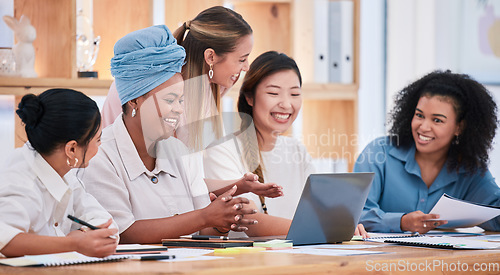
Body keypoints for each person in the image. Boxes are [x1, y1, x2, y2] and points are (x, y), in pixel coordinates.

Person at [83, 25, 258, 244]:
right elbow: (122, 233)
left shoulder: (179, 152)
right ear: (135, 100)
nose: (179, 109)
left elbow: (201, 228)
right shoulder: (100, 157)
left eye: (181, 100)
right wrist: (205, 217)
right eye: (169, 100)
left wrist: (222, 223)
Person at [100, 6, 281, 199]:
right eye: (242, 59)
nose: (246, 67)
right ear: (210, 57)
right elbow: (174, 185)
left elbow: (187, 181)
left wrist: (240, 186)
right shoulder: (156, 93)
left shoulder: (206, 90)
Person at [204, 51, 368, 237]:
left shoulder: (296, 150)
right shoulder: (222, 151)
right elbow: (248, 221)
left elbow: (321, 209)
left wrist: (344, 224)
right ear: (249, 97)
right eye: (273, 93)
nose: (286, 104)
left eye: (295, 94)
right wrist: (325, 229)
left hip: (299, 258)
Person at [354, 70, 500, 233]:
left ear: (459, 127)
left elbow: (496, 218)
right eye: (419, 115)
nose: (423, 127)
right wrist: (401, 222)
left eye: (437, 120)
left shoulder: (470, 170)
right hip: (380, 257)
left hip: (442, 259)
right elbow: (353, 214)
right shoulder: (378, 153)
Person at [0, 88, 118, 258]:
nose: (101, 145)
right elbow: (6, 241)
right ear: (71, 149)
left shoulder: (64, 172)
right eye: (98, 139)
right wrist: (74, 243)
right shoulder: (21, 181)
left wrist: (83, 235)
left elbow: (107, 225)